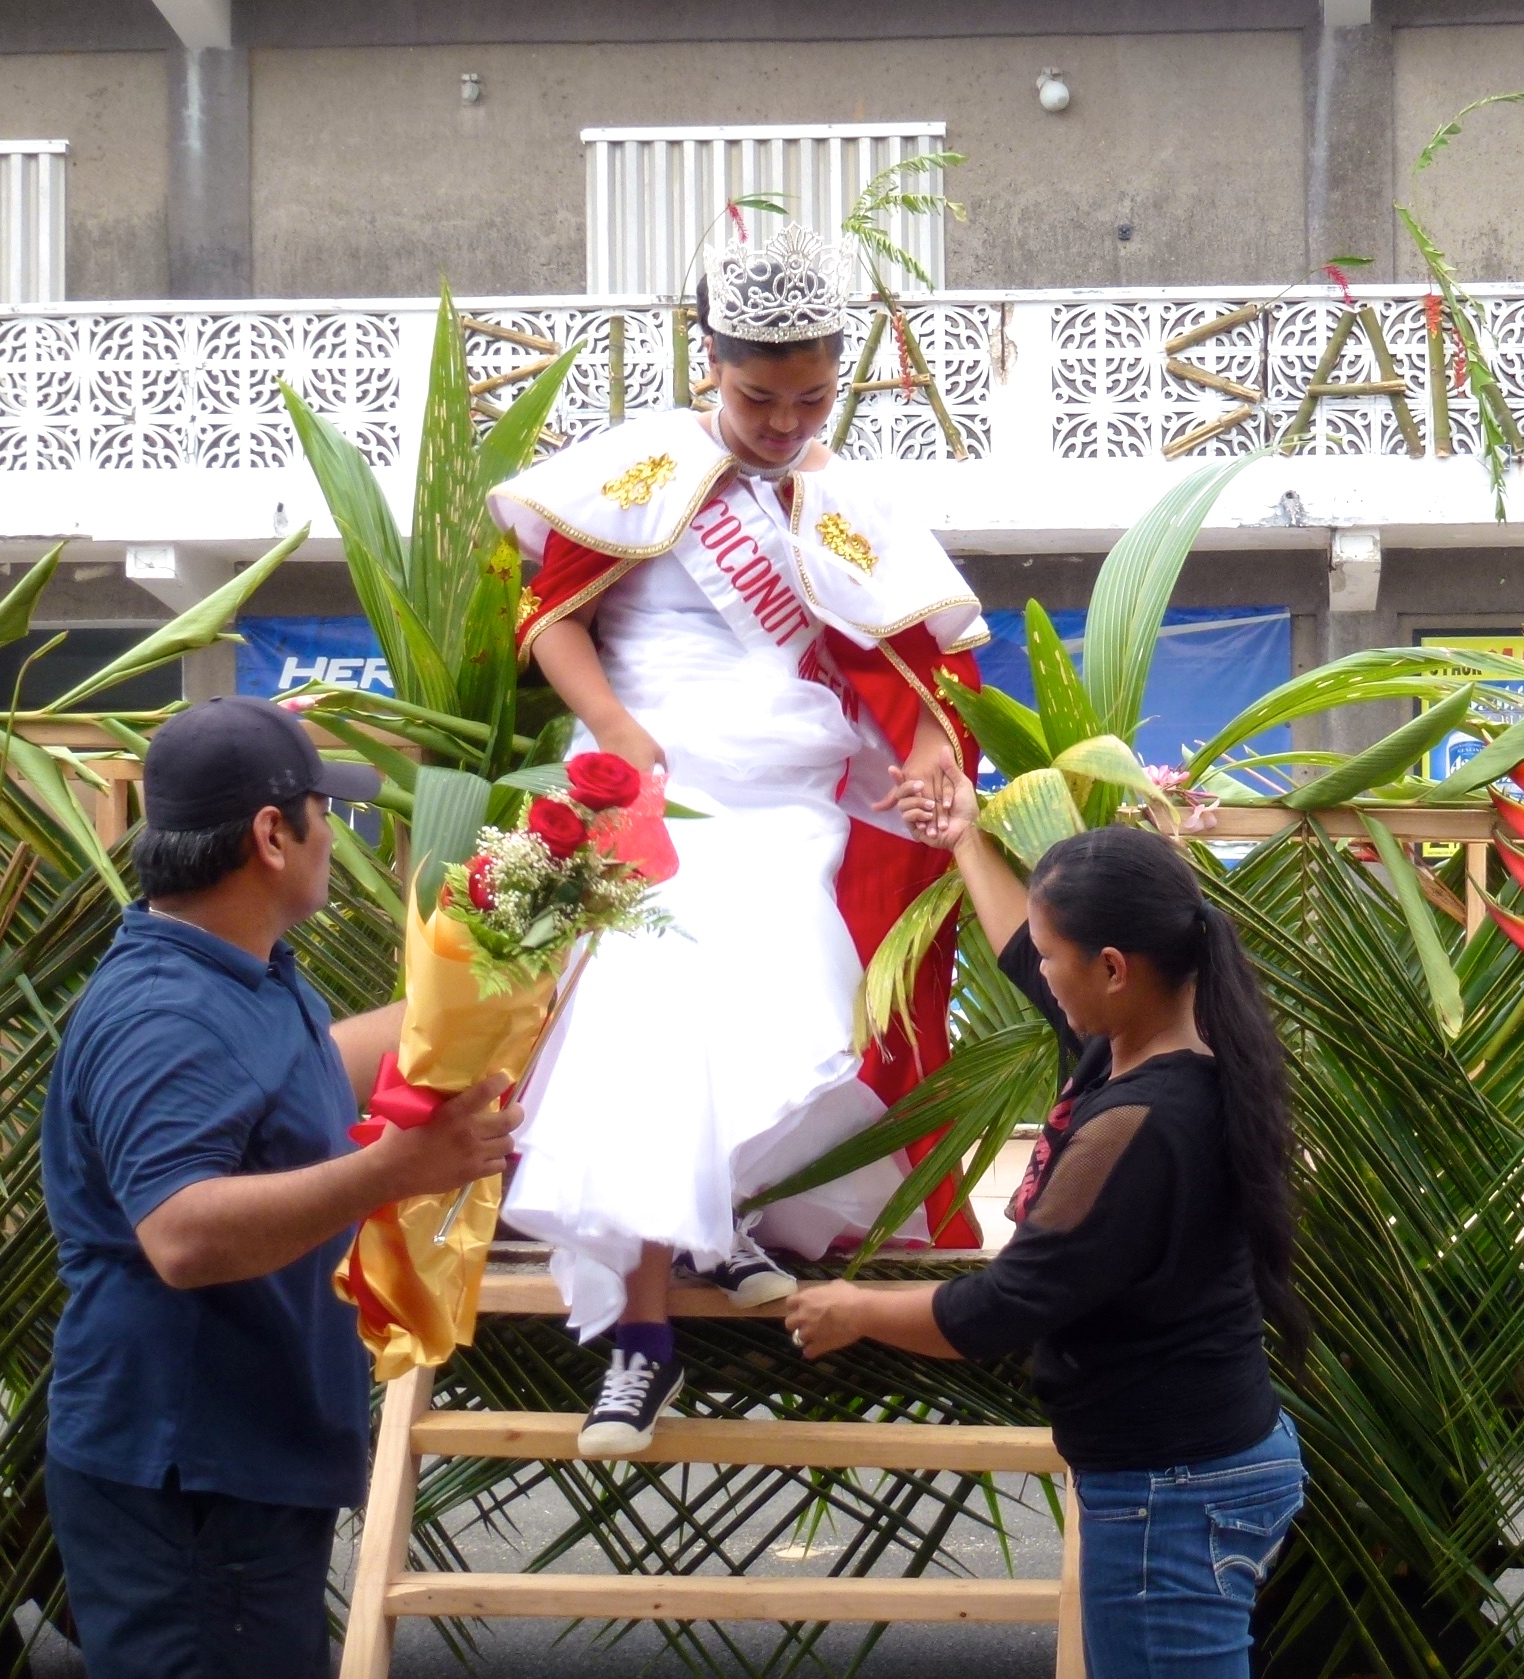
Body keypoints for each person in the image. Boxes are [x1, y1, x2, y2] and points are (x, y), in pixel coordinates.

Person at [485, 223, 989, 1457]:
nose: (782, 422)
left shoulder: (846, 495)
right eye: (758, 396)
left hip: (799, 810)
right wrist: (612, 727)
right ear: (705, 362)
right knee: (655, 1022)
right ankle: (639, 1337)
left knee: (800, 1029)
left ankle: (723, 1223)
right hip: (669, 807)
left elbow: (921, 671)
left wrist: (930, 752)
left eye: (811, 398)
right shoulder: (637, 468)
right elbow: (550, 621)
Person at [40, 696, 522, 1679]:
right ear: (271, 832)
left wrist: (513, 983)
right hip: (191, 1480)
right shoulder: (165, 1013)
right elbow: (181, 1233)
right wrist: (394, 1168)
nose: (327, 837)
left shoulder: (241, 973)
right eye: (320, 811)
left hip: (242, 1462)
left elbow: (308, 1067)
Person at [784, 804, 1311, 1679]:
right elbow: (1027, 961)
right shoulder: (1149, 1042)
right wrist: (960, 834)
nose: (1041, 973)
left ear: (1112, 967)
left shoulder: (1137, 1125)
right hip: (1206, 1463)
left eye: (1054, 954)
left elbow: (1003, 1305)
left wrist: (854, 1308)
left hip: (1170, 1493)